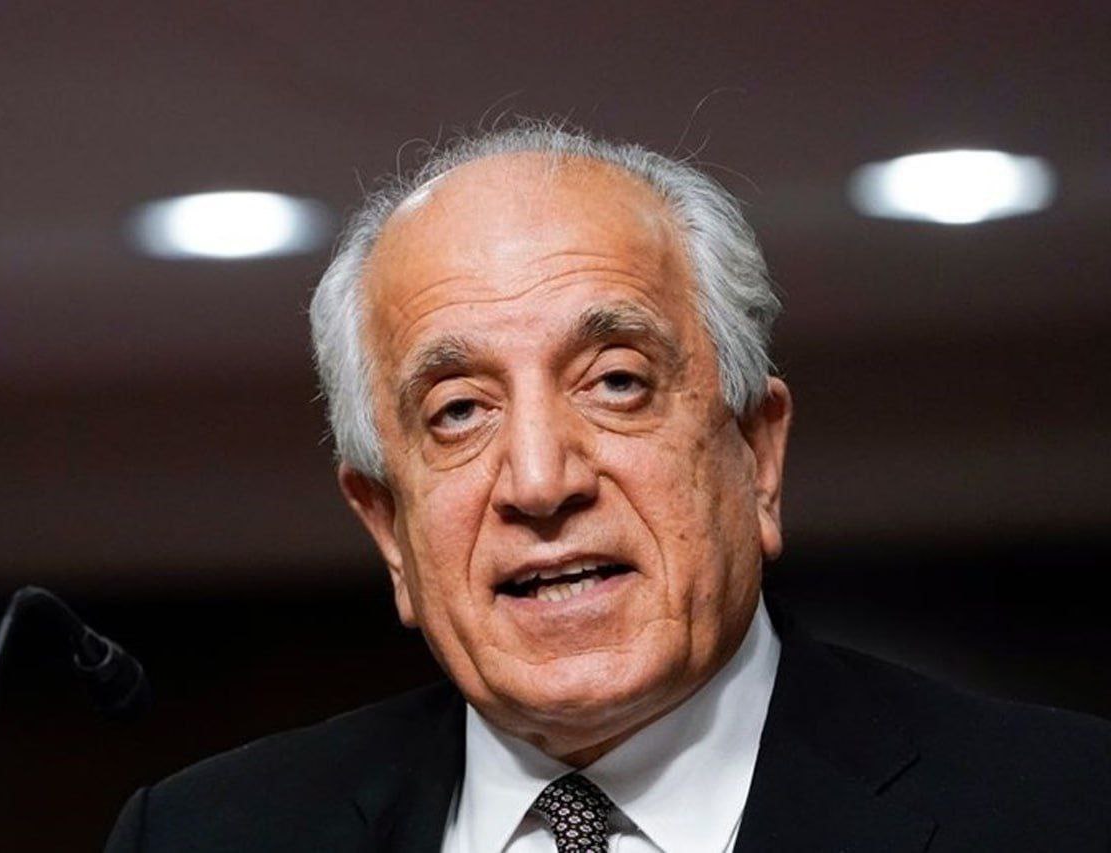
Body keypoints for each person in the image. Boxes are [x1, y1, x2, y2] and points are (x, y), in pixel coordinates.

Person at [105, 122, 1109, 852]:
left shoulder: (1063, 808)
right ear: (386, 528)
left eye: (617, 383)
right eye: (458, 410)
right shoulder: (203, 834)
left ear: (757, 456)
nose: (540, 481)